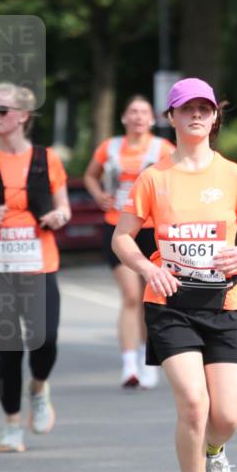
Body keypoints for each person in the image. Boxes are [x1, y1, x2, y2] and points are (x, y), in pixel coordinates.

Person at [113, 78, 237, 472]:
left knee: (228, 416)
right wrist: (148, 268)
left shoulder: (233, 174)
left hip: (225, 304)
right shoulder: (153, 178)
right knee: (194, 404)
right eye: (187, 109)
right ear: (172, 118)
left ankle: (215, 450)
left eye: (205, 108)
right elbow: (122, 237)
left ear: (215, 116)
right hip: (170, 304)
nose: (197, 115)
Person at [0, 83, 71, 453]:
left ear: (23, 116)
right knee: (9, 349)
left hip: (40, 263)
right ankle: (11, 426)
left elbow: (64, 208)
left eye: (2, 110)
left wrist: (57, 215)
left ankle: (37, 387)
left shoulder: (46, 158)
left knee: (45, 339)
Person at [84, 94, 174, 389]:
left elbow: (179, 181)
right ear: (124, 117)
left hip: (153, 231)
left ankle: (149, 359)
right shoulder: (109, 147)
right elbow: (90, 176)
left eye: (143, 112)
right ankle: (129, 364)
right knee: (131, 297)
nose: (138, 117)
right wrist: (99, 195)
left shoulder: (164, 148)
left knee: (150, 300)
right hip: (119, 228)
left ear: (152, 119)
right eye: (132, 111)